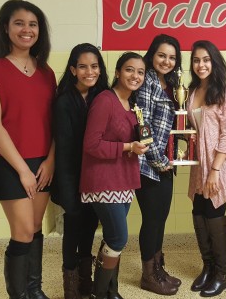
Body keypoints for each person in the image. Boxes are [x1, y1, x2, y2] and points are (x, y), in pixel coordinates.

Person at [0, 0, 55, 299]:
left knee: (35, 228)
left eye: (33, 24)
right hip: (8, 162)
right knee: (22, 232)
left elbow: (54, 121)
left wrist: (51, 160)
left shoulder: (46, 71)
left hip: (42, 161)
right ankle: (19, 295)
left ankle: (34, 290)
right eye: (19, 23)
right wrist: (22, 170)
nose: (26, 29)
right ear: (6, 27)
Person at [80, 52, 149, 299]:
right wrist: (129, 147)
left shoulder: (132, 105)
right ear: (118, 72)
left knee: (112, 237)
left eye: (140, 72)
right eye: (130, 70)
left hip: (124, 179)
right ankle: (99, 294)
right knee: (119, 237)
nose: (135, 76)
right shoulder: (105, 100)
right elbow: (91, 144)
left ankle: (112, 291)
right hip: (103, 181)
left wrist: (138, 145)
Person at [52, 43, 109, 298]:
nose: (90, 71)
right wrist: (66, 191)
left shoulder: (103, 96)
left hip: (96, 177)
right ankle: (71, 287)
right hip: (71, 178)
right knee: (73, 229)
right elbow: (63, 150)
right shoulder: (64, 101)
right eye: (83, 66)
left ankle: (86, 282)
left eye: (94, 66)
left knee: (90, 227)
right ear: (73, 70)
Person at [186, 40, 226, 297]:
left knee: (214, 213)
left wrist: (215, 170)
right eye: (196, 60)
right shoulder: (192, 90)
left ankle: (223, 273)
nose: (201, 65)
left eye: (206, 60)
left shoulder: (224, 91)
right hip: (200, 163)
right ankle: (208, 267)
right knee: (198, 212)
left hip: (220, 162)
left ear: (214, 61)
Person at [136, 34, 181, 295]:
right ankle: (148, 276)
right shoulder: (147, 82)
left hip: (165, 162)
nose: (166, 60)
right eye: (162, 55)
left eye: (172, 57)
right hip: (149, 164)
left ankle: (158, 269)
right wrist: (159, 160)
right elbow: (143, 125)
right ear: (152, 54)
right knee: (152, 220)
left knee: (160, 218)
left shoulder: (170, 83)